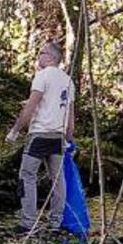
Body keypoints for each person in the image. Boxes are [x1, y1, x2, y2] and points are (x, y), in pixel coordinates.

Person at [7, 40, 74, 234]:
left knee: (27, 175)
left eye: (41, 53)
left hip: (39, 135)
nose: (39, 56)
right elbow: (70, 114)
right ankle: (56, 221)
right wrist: (69, 137)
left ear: (51, 57)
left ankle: (28, 222)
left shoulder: (42, 77)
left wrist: (15, 130)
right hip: (58, 137)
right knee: (57, 179)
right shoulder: (68, 81)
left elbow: (31, 106)